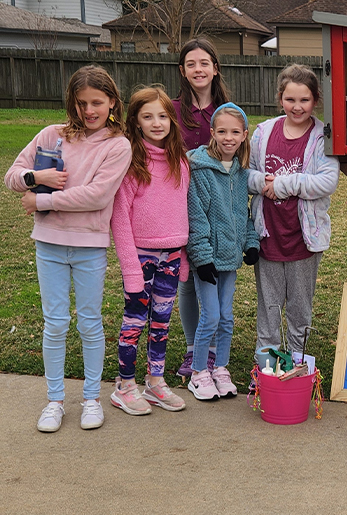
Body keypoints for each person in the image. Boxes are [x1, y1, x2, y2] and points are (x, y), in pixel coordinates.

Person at [4, 65, 132, 432]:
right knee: (55, 323)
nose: (89, 111)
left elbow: (97, 195)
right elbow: (13, 176)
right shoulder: (50, 135)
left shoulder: (117, 145)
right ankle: (55, 400)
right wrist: (36, 178)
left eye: (97, 102)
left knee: (90, 324)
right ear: (71, 104)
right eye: (81, 103)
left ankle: (91, 398)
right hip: (49, 245)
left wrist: (42, 201)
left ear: (111, 102)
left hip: (90, 247)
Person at [247, 63, 339, 356]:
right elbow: (245, 174)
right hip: (268, 234)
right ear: (280, 98)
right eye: (290, 100)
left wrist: (285, 184)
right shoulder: (263, 133)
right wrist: (262, 181)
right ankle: (267, 362)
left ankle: (297, 360)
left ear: (315, 100)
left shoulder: (322, 135)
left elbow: (327, 180)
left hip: (303, 237)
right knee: (269, 305)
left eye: (304, 100)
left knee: (300, 306)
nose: (297, 107)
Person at [109, 86, 190, 415]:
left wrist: (181, 258)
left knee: (161, 322)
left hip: (171, 258)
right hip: (139, 260)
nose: (156, 123)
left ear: (171, 119)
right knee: (134, 322)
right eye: (147, 116)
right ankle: (124, 385)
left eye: (162, 115)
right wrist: (130, 269)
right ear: (136, 121)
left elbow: (180, 211)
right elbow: (120, 219)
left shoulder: (180, 163)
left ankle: (155, 381)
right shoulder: (130, 164)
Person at [186, 103, 259, 400]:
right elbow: (196, 216)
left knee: (227, 317)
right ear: (213, 133)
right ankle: (198, 371)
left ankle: (221, 368)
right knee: (211, 317)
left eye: (234, 132)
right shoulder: (201, 170)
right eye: (222, 131)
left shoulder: (242, 174)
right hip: (208, 260)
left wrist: (251, 243)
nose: (228, 138)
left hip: (230, 259)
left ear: (244, 135)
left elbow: (245, 213)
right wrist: (202, 258)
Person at [173, 38, 232, 378]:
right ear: (183, 70)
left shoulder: (226, 111)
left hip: (218, 208)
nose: (198, 69)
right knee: (187, 277)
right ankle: (193, 347)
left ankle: (212, 348)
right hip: (180, 205)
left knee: (215, 274)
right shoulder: (172, 109)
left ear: (215, 68)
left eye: (204, 63)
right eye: (191, 64)